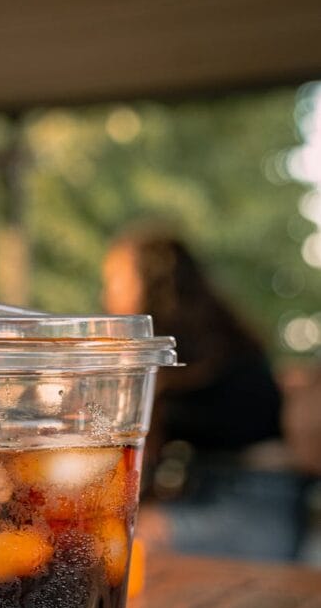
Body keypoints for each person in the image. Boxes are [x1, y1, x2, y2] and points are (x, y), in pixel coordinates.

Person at [102, 224, 308, 561]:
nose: (107, 295)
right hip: (225, 496)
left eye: (116, 280)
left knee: (116, 540)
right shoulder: (215, 342)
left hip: (254, 508)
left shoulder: (200, 361)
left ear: (153, 283)